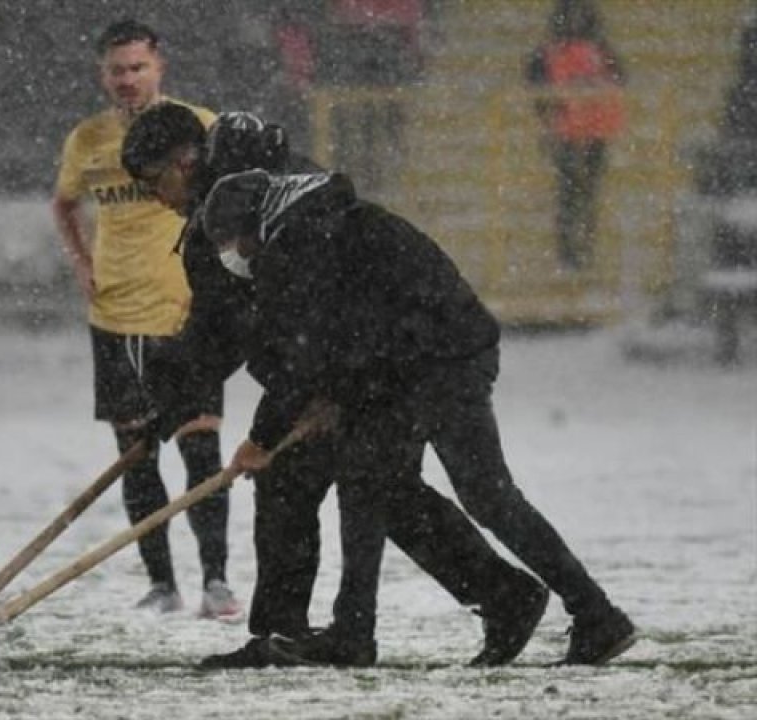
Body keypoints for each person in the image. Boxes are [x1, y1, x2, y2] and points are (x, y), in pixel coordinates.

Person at [123, 103, 547, 669]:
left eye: (156, 181)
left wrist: (293, 408)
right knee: (354, 490)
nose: (157, 197)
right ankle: (495, 596)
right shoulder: (233, 202)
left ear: (185, 159)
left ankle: (491, 600)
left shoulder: (244, 203)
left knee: (357, 488)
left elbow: (265, 323)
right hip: (329, 371)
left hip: (358, 368)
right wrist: (168, 409)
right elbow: (222, 333)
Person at [201, 167, 638, 665]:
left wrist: (261, 440)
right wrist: (326, 394)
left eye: (237, 242)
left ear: (258, 225)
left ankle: (354, 636)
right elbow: (344, 333)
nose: (237, 256)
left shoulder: (298, 243)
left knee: (372, 485)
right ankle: (594, 614)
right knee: (480, 495)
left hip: (424, 365)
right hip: (443, 353)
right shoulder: (330, 220)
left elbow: (310, 351)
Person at [50, 20, 240, 619]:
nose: (128, 80)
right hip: (117, 316)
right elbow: (63, 204)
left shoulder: (198, 126)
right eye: (117, 70)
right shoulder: (87, 140)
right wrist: (82, 263)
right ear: (101, 75)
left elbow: (232, 196)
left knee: (201, 446)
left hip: (187, 311)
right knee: (135, 454)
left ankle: (217, 581)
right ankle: (162, 583)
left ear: (160, 67)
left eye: (138, 68)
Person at [526, 0, 626, 271]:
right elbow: (537, 86)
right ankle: (571, 252)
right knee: (571, 193)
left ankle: (579, 251)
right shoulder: (559, 52)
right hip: (571, 129)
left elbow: (618, 79)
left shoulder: (595, 50)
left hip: (592, 127)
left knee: (582, 192)